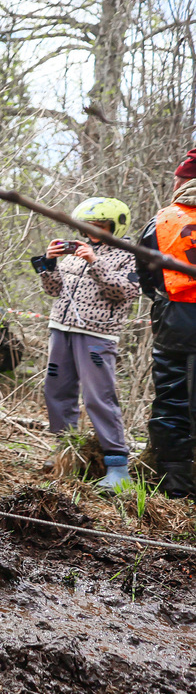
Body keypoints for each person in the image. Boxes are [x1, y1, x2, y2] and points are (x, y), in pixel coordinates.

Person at [32, 197, 138, 489]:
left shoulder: (129, 254)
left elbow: (124, 291)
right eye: (86, 225)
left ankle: (117, 466)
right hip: (60, 329)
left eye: (100, 225)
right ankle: (66, 452)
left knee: (97, 397)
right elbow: (54, 290)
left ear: (115, 226)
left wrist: (95, 262)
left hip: (97, 334)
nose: (91, 231)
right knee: (56, 390)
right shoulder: (75, 252)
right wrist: (49, 263)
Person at [135, 149, 196, 498]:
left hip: (174, 321)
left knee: (171, 400)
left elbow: (145, 275)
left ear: (183, 182)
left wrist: (162, 301)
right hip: (175, 318)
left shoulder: (162, 220)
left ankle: (176, 489)